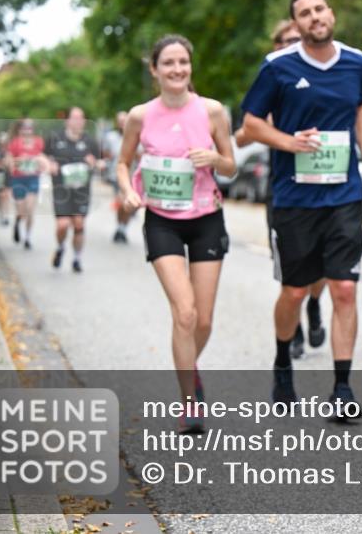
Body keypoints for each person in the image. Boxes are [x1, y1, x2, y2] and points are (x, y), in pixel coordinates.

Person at [240, 0, 362, 414]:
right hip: (294, 198)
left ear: (331, 13)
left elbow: (360, 105)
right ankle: (283, 360)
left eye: (319, 9)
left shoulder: (356, 61)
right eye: (304, 13)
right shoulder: (277, 67)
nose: (314, 17)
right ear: (297, 24)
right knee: (294, 290)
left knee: (344, 287)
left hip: (343, 194)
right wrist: (288, 142)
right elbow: (250, 124)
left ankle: (342, 388)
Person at [118, 34, 235, 434]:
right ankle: (189, 403)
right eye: (168, 63)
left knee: (203, 321)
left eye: (183, 62)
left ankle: (189, 368)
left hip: (206, 217)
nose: (177, 69)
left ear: (191, 66)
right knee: (183, 313)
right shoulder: (140, 115)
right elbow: (122, 162)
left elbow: (232, 166)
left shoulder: (213, 111)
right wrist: (130, 191)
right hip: (162, 219)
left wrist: (215, 158)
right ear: (155, 69)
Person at [235, 18, 327, 360]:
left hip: (323, 186)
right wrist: (268, 127)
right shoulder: (271, 80)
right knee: (290, 266)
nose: (291, 45)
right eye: (285, 41)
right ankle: (297, 329)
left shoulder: (321, 76)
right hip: (284, 189)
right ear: (276, 47)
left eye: (296, 40)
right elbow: (242, 133)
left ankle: (316, 304)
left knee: (324, 263)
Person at [45, 107, 99, 273]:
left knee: (78, 223)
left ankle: (77, 258)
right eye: (75, 118)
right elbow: (42, 156)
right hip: (61, 189)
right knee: (62, 225)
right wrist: (49, 164)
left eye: (81, 118)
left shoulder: (90, 141)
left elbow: (100, 162)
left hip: (81, 190)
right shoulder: (55, 138)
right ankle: (61, 247)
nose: (78, 121)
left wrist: (94, 163)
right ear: (67, 120)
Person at [5, 118, 48, 249]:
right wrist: (15, 163)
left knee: (30, 209)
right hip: (18, 179)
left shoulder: (38, 142)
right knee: (21, 210)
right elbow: (9, 160)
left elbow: (42, 158)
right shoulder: (15, 143)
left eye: (30, 127)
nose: (27, 130)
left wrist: (40, 162)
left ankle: (27, 237)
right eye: (25, 127)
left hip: (33, 178)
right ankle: (18, 222)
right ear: (20, 129)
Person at [103, 111, 140, 243]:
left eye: (125, 121)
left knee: (127, 204)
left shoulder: (137, 136)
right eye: (120, 121)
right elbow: (106, 153)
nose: (122, 124)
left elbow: (141, 157)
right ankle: (120, 227)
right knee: (121, 201)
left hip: (132, 175)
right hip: (115, 175)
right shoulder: (111, 137)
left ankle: (122, 228)